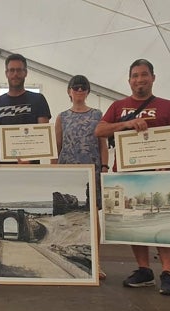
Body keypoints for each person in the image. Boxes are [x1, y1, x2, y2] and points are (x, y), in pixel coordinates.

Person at [95, 59, 170, 296]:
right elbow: (100, 130)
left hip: (159, 175)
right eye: (135, 76)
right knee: (136, 226)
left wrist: (161, 159)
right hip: (128, 175)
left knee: (163, 226)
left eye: (144, 75)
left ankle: (168, 273)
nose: (139, 80)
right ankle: (144, 270)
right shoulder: (118, 106)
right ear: (129, 80)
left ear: (153, 78)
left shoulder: (168, 106)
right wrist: (126, 124)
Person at [51, 75, 109, 280]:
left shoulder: (97, 115)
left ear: (88, 91)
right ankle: (67, 257)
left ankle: (96, 263)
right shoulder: (62, 117)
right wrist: (53, 172)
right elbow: (56, 147)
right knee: (68, 217)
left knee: (93, 217)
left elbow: (103, 144)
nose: (79, 90)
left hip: (91, 172)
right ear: (69, 91)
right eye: (75, 87)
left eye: (83, 87)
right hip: (67, 172)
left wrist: (104, 166)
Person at [0, 53, 51, 164]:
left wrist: (30, 160)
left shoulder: (38, 99)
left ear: (25, 73)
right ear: (6, 73)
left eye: (19, 70)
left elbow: (43, 135)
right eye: (12, 70)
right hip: (3, 168)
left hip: (30, 168)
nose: (15, 74)